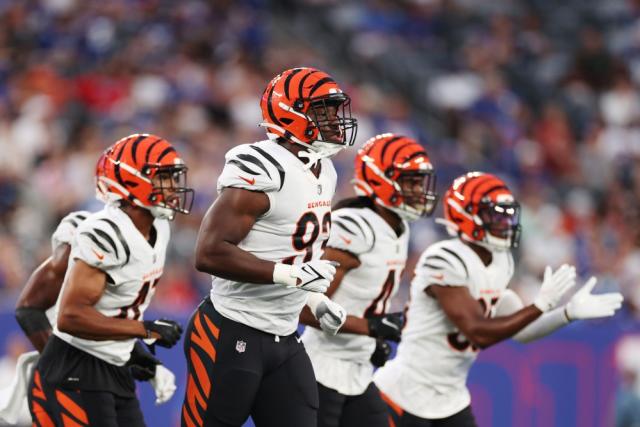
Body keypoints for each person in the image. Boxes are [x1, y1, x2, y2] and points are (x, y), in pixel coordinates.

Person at [374, 171, 624, 427]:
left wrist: (566, 313)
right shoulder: (444, 258)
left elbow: (522, 331)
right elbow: (476, 331)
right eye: (495, 215)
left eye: (507, 214)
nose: (505, 222)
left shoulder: (500, 261)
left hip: (449, 399)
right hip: (403, 395)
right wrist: (539, 306)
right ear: (466, 215)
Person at [184, 67, 357, 427]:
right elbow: (209, 252)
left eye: (333, 109)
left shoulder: (324, 169)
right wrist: (291, 276)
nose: (333, 119)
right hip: (231, 329)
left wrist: (312, 298)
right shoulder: (264, 167)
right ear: (290, 113)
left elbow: (288, 247)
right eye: (322, 110)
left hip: (284, 334)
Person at [28, 134, 193, 427]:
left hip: (113, 365)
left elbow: (114, 309)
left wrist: (143, 360)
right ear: (133, 182)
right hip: (76, 366)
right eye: (163, 178)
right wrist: (145, 330)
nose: (173, 188)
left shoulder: (160, 227)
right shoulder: (105, 232)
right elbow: (70, 316)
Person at [299, 133, 438, 427]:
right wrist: (370, 327)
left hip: (358, 371)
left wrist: (370, 339)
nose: (418, 190)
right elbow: (306, 309)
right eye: (410, 181)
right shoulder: (356, 225)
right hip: (320, 369)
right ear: (379, 179)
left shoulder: (397, 226)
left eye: (419, 181)